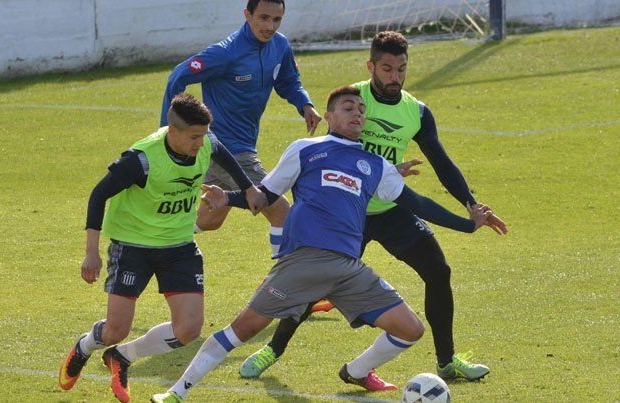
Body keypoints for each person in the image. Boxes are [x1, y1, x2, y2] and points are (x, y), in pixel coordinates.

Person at [150, 86, 493, 402]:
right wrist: (228, 197)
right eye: (348, 108)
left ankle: (356, 371)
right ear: (329, 116)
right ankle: (177, 392)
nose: (357, 113)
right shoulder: (306, 149)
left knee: (410, 330)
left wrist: (467, 224)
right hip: (303, 263)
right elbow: (265, 195)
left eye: (361, 110)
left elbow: (417, 203)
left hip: (348, 269)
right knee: (240, 330)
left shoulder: (377, 166)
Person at [240, 31, 508, 382]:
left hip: (392, 209)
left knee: (438, 272)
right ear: (371, 67)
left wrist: (471, 206)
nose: (395, 77)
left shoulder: (416, 112)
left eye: (402, 69)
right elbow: (330, 150)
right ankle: (273, 349)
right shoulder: (352, 100)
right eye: (387, 69)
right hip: (345, 215)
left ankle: (446, 361)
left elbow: (441, 162)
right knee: (316, 282)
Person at [57, 93, 267, 403]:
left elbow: (222, 154)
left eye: (204, 135)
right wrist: (91, 253)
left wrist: (248, 188)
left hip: (179, 246)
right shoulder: (141, 160)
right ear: (173, 131)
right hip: (133, 247)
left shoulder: (206, 142)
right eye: (194, 137)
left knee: (188, 330)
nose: (201, 144)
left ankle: (123, 356)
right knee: (115, 330)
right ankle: (85, 346)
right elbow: (98, 195)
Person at [161, 0, 322, 258]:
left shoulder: (279, 45)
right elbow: (178, 76)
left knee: (210, 219)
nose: (270, 26)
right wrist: (168, 129)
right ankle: (284, 281)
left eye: (276, 19)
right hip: (228, 150)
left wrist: (305, 104)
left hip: (237, 147)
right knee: (283, 214)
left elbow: (288, 81)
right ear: (248, 15)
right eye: (263, 18)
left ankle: (156, 239)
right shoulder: (226, 53)